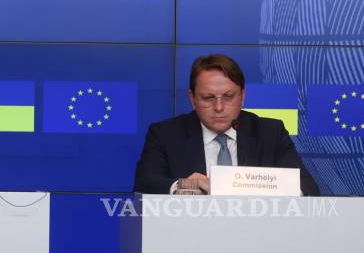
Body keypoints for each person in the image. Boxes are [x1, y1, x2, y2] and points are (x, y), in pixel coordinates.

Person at [134, 54, 319, 196]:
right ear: (192, 98)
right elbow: (143, 184)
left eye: (229, 97)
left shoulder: (270, 132)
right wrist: (185, 185)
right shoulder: (166, 134)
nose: (219, 107)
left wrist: (266, 188)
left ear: (242, 96)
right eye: (208, 98)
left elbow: (308, 188)